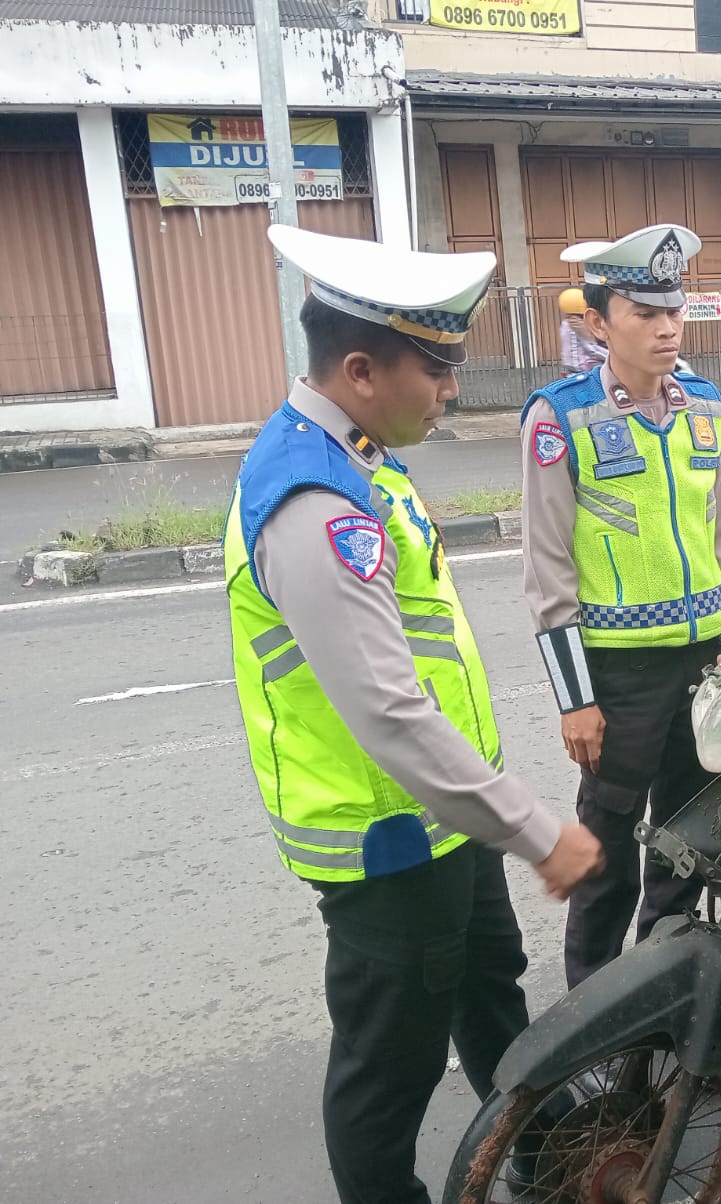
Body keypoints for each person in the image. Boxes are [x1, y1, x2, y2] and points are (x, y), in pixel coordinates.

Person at [222, 227, 604, 1204]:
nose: (449, 390)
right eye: (434, 370)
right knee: (388, 1069)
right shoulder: (316, 503)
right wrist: (535, 830)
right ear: (360, 370)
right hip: (386, 839)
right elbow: (389, 712)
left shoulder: (360, 456)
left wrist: (488, 816)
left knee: (490, 995)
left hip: (444, 819)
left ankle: (551, 1161)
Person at [521, 223, 721, 989]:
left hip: (705, 660)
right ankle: (593, 1001)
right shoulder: (561, 417)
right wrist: (575, 699)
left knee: (687, 837)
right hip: (620, 677)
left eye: (674, 312)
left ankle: (661, 984)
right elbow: (548, 569)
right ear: (597, 322)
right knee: (609, 845)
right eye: (645, 314)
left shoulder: (705, 405)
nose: (666, 329)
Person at [559, 286, 607, 375]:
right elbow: (593, 350)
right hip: (584, 372)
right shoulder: (578, 326)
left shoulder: (565, 324)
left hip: (571, 371)